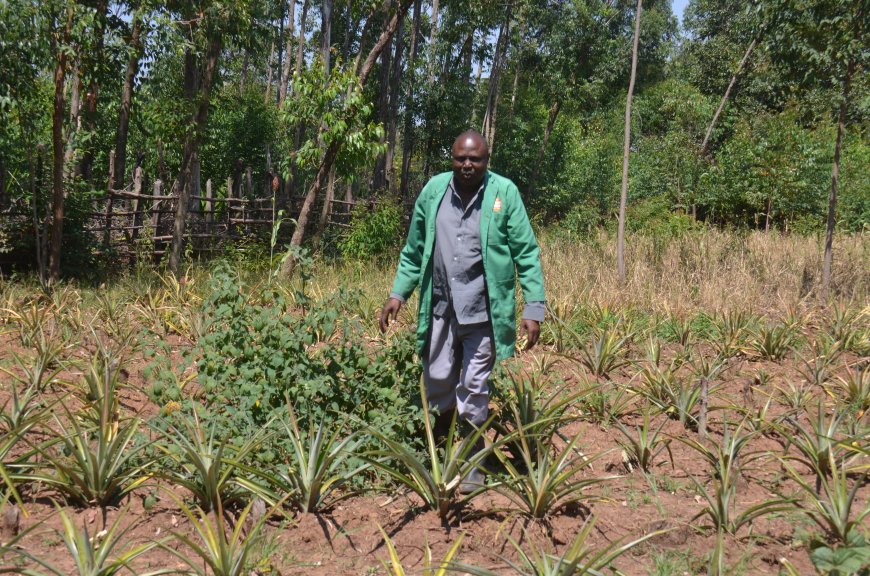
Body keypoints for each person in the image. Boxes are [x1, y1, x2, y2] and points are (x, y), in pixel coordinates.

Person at [379, 130, 545, 492]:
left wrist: (533, 306)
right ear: (451, 158)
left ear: (487, 160)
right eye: (461, 158)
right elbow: (414, 248)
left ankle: (472, 466)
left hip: (482, 312)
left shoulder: (504, 194)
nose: (468, 165)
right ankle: (438, 451)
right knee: (437, 380)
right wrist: (398, 294)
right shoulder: (434, 192)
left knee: (473, 387)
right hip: (439, 305)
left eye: (476, 159)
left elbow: (527, 253)